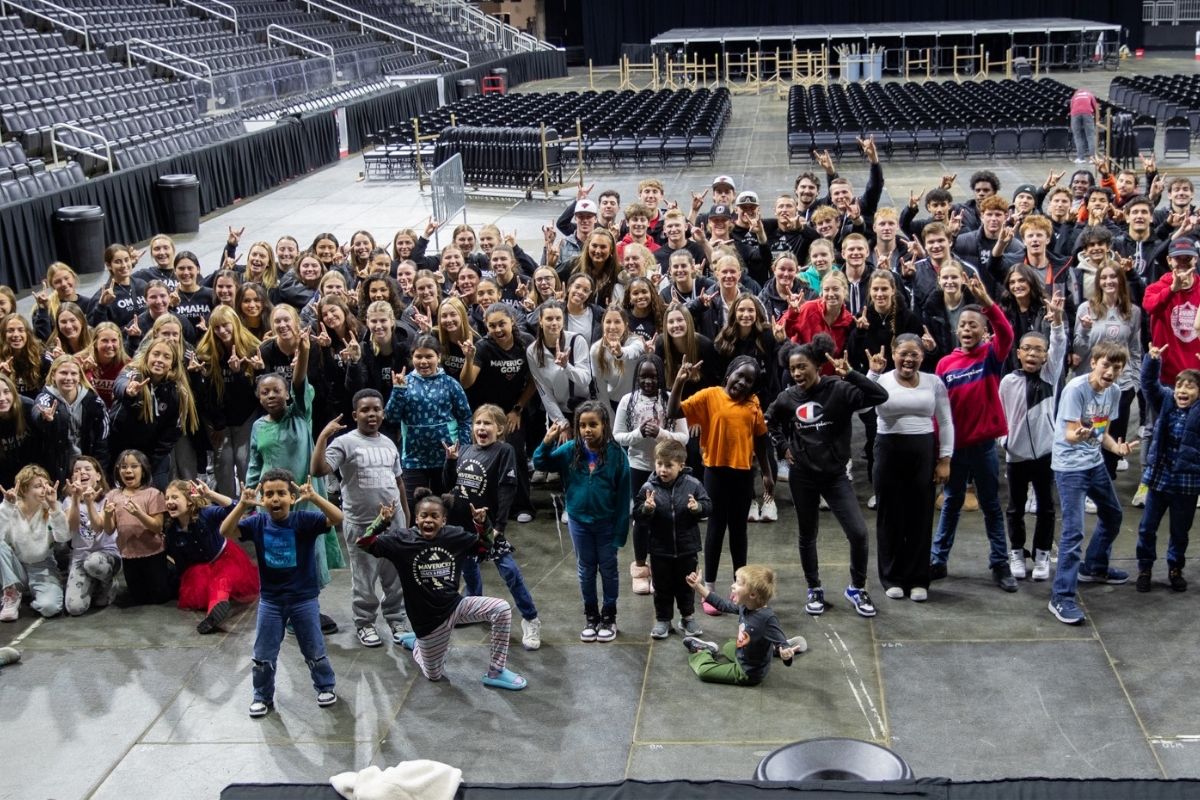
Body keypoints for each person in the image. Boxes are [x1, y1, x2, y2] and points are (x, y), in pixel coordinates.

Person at [357, 489, 527, 691]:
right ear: (416, 519)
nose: (429, 520)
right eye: (423, 515)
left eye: (434, 516)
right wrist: (381, 522)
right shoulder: (401, 540)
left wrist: (482, 524)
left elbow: (485, 548)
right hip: (428, 622)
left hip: (456, 606)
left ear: (444, 520)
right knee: (434, 675)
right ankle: (419, 645)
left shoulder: (454, 536)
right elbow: (364, 543)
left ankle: (496, 671)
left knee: (501, 608)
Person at [767, 334, 888, 617]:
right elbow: (769, 421)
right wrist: (783, 446)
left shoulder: (839, 389)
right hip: (802, 476)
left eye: (802, 366)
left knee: (858, 533)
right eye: (793, 368)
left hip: (835, 476)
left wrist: (854, 375)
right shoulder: (787, 397)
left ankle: (857, 588)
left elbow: (879, 396)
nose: (797, 373)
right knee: (807, 535)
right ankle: (814, 589)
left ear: (817, 365)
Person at [220, 469, 345, 716]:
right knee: (263, 653)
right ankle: (262, 696)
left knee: (314, 648)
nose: (275, 499)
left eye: (281, 493)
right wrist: (242, 505)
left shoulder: (303, 521)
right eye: (269, 494)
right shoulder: (257, 522)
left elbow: (337, 517)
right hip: (271, 600)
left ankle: (324, 686)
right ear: (262, 500)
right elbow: (226, 531)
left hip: (303, 598)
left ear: (292, 497)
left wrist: (315, 498)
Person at [247, 330, 344, 633]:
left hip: (303, 498)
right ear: (259, 398)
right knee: (281, 557)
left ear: (286, 393)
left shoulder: (299, 415)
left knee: (309, 554)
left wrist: (302, 354)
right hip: (271, 504)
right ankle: (286, 611)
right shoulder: (258, 427)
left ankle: (308, 609)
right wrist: (251, 498)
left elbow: (300, 383)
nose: (271, 395)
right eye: (265, 392)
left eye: (277, 390)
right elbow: (254, 465)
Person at [667, 356, 774, 616]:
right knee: (716, 528)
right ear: (729, 373)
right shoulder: (710, 396)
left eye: (749, 380)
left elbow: (761, 440)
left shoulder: (753, 404)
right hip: (715, 472)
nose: (743, 382)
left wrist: (767, 473)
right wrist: (679, 382)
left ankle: (742, 588)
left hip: (742, 474)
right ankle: (710, 588)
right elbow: (673, 412)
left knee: (739, 532)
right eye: (739, 375)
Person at [930, 274, 1016, 590]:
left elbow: (1007, 332)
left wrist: (988, 304)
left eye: (973, 325)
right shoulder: (944, 365)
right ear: (957, 330)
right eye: (963, 325)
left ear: (983, 331)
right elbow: (939, 412)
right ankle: (938, 561)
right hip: (955, 450)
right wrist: (942, 452)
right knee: (951, 502)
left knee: (991, 505)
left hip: (983, 448)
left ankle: (1000, 563)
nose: (967, 329)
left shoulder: (991, 356)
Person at [311, 390, 411, 649]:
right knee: (365, 578)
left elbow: (398, 481)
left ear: (383, 412)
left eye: (376, 409)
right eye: (365, 410)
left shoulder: (389, 443)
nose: (372, 414)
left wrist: (406, 516)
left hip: (394, 523)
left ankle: (397, 620)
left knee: (394, 575)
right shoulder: (345, 442)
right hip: (361, 524)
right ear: (355, 415)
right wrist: (323, 436)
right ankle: (365, 623)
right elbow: (318, 470)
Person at [1048, 342, 1138, 625]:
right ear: (1094, 363)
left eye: (1117, 368)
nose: (1111, 372)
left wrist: (1117, 450)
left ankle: (1095, 566)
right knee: (1073, 533)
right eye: (1106, 365)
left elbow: (1102, 433)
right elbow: (1071, 434)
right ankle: (1061, 597)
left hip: (1094, 463)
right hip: (1070, 468)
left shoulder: (1113, 392)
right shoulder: (1075, 389)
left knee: (1113, 514)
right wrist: (1083, 434)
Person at [532, 401, 631, 643]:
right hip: (579, 522)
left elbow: (623, 499)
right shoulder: (569, 450)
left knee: (608, 570)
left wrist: (620, 533)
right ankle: (591, 616)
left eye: (593, 425)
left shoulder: (617, 456)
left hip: (606, 523)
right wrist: (546, 442)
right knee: (585, 570)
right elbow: (540, 463)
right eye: (582, 425)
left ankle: (609, 616)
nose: (587, 430)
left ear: (604, 425)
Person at [447, 404, 543, 651]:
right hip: (462, 525)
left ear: (499, 429)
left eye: (487, 423)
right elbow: (450, 485)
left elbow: (506, 488)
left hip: (488, 527)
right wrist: (450, 461)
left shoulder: (504, 451)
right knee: (469, 568)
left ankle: (531, 618)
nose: (481, 428)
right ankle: (473, 608)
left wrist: (499, 525)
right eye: (478, 423)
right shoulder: (465, 450)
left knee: (509, 571)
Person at [868, 334, 953, 601]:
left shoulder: (933, 382)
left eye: (914, 354)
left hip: (923, 453)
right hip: (888, 452)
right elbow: (860, 405)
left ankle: (918, 578)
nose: (909, 359)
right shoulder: (881, 381)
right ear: (893, 354)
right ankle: (892, 577)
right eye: (903, 353)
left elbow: (946, 421)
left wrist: (945, 459)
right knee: (890, 515)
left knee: (920, 515)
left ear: (922, 356)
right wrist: (871, 373)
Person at [1000, 299, 1067, 583]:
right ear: (1018, 353)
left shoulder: (1051, 376)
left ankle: (1041, 554)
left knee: (1046, 507)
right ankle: (1016, 551)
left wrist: (1057, 323)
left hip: (1045, 453)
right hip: (1015, 456)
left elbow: (1060, 343)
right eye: (1026, 349)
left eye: (1038, 350)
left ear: (1045, 357)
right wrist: (1005, 441)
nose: (1032, 354)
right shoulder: (1007, 382)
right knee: (1015, 507)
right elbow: (1000, 416)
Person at [613, 354, 688, 596]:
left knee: (664, 516)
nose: (648, 381)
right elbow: (618, 435)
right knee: (642, 517)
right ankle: (640, 567)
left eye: (653, 377)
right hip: (638, 466)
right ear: (637, 377)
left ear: (660, 377)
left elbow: (684, 437)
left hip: (666, 468)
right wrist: (638, 433)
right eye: (643, 376)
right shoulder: (628, 400)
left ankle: (660, 568)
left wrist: (660, 433)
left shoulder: (671, 399)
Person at [1135, 345, 1200, 593]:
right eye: (1179, 385)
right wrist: (1152, 361)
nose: (1182, 390)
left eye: (1190, 387)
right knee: (1147, 527)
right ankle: (1145, 568)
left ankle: (1175, 568)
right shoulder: (1166, 402)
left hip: (1187, 482)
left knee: (1180, 530)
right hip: (1160, 478)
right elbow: (1149, 385)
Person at [633, 439, 711, 639]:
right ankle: (663, 620)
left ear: (681, 465)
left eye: (669, 465)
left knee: (687, 586)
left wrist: (698, 508)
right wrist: (647, 509)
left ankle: (687, 617)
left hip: (687, 548)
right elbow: (638, 515)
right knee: (662, 587)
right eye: (659, 464)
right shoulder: (648, 487)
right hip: (659, 549)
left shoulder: (693, 484)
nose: (663, 470)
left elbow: (708, 505)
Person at [680, 565, 805, 686]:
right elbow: (722, 605)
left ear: (752, 595)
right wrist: (698, 587)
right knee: (728, 646)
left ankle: (703, 651)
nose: (732, 585)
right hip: (744, 652)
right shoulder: (746, 606)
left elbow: (783, 643)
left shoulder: (767, 619)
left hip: (748, 672)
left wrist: (785, 653)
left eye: (738, 583)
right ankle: (769, 648)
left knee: (703, 672)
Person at [383, 336, 471, 506]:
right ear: (412, 358)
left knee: (445, 505)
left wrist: (463, 449)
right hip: (413, 457)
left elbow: (465, 417)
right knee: (412, 505)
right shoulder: (404, 382)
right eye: (419, 356)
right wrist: (398, 391)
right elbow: (391, 418)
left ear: (438, 357)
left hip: (445, 457)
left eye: (429, 356)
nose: (423, 361)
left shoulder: (450, 383)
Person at [163, 479, 260, 634]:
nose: (169, 501)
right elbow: (180, 559)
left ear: (189, 501)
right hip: (200, 566)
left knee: (222, 581)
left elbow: (232, 508)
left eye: (175, 497)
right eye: (167, 498)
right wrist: (185, 582)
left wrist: (210, 494)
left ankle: (213, 614)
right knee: (200, 583)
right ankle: (214, 610)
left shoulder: (206, 514)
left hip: (223, 558)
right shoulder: (172, 530)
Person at [0, 464, 68, 620]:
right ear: (24, 490)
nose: (45, 489)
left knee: (50, 607)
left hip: (42, 567)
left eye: (46, 485)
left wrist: (54, 508)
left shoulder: (50, 508)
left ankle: (27, 594)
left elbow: (63, 537)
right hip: (15, 567)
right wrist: (6, 507)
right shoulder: (11, 508)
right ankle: (11, 592)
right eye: (38, 486)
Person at [102, 450, 170, 605]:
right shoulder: (113, 495)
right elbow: (109, 529)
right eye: (124, 467)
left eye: (134, 466)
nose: (128, 470)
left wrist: (139, 514)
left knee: (160, 596)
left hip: (153, 553)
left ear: (143, 469)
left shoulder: (153, 494)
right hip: (129, 555)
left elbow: (157, 527)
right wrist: (107, 515)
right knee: (138, 597)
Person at [62, 455, 119, 616]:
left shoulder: (108, 498)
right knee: (75, 608)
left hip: (106, 555)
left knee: (93, 564)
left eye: (87, 469)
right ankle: (94, 583)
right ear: (72, 477)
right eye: (77, 470)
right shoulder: (67, 500)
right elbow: (71, 528)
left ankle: (109, 582)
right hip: (80, 556)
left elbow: (99, 527)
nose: (82, 472)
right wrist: (75, 499)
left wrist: (89, 503)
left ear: (98, 476)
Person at [1069, 86, 1099, 164]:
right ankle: (1092, 158)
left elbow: (1071, 107)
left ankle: (1080, 158)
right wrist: (1096, 118)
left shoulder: (1074, 96)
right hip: (1087, 113)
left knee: (1078, 136)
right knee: (1090, 136)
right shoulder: (1090, 94)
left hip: (1075, 114)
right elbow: (1096, 107)